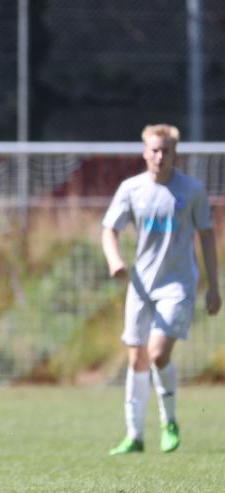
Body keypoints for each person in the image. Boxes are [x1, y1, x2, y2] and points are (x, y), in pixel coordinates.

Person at [102, 123, 220, 455]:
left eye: (165, 151)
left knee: (157, 353)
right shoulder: (131, 189)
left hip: (177, 285)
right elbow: (109, 229)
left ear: (174, 154)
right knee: (136, 357)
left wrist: (213, 286)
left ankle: (169, 421)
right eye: (154, 150)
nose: (159, 156)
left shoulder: (191, 190)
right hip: (141, 285)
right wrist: (114, 260)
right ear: (145, 152)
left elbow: (207, 236)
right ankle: (134, 435)